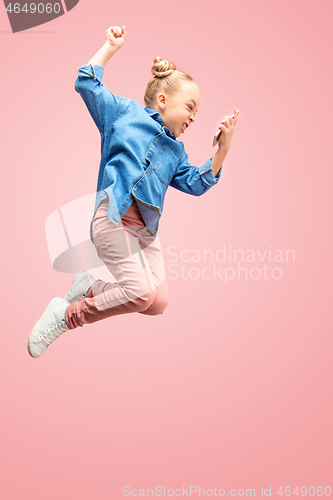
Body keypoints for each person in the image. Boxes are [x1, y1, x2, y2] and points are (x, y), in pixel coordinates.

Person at [27, 25, 239, 358]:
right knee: (140, 293)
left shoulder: (176, 153)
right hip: (112, 219)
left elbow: (198, 183)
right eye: (190, 107)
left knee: (157, 302)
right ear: (165, 99)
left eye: (197, 112)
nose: (194, 117)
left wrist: (223, 149)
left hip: (144, 233)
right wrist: (110, 47)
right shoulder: (124, 114)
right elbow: (86, 82)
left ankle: (89, 287)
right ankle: (65, 316)